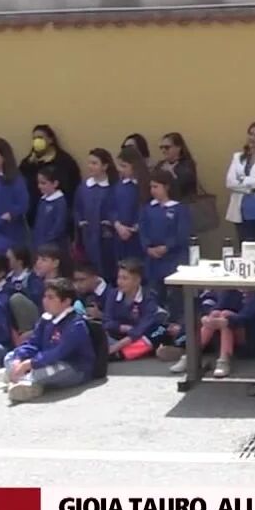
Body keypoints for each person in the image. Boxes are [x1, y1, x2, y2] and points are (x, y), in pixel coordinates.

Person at [0, 278, 95, 402]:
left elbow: (59, 352)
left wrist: (30, 363)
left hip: (73, 366)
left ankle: (21, 378)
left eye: (51, 298)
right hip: (44, 360)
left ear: (66, 301)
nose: (45, 301)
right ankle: (25, 380)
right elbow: (33, 343)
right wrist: (19, 358)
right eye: (45, 296)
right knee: (10, 356)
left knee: (44, 372)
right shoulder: (46, 319)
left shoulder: (76, 324)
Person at [140, 171, 190, 313]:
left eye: (156, 187)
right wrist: (148, 248)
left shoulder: (179, 209)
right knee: (154, 294)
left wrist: (167, 247)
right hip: (153, 260)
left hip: (173, 259)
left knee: (175, 295)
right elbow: (143, 230)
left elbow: (182, 233)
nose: (153, 191)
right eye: (151, 187)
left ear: (166, 187)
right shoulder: (148, 209)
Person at [19, 125, 82, 228]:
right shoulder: (28, 162)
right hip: (34, 213)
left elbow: (72, 185)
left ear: (51, 139)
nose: (37, 141)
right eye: (34, 138)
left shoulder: (64, 160)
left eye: (40, 138)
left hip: (57, 211)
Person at [104, 259, 166, 361]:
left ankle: (119, 354)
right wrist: (122, 327)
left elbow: (140, 330)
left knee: (158, 331)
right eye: (119, 278)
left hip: (141, 336)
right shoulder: (113, 294)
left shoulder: (149, 298)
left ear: (137, 280)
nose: (120, 282)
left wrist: (115, 348)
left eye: (125, 278)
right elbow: (107, 322)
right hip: (118, 334)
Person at [77, 148, 119, 282]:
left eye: (95, 163)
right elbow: (77, 207)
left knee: (107, 270)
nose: (90, 166)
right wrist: (80, 221)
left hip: (107, 238)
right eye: (89, 163)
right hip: (87, 236)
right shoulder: (84, 187)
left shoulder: (113, 187)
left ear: (105, 166)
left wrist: (110, 222)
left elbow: (116, 209)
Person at [0, 138, 30, 256]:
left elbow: (23, 203)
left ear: (4, 156)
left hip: (10, 232)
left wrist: (9, 215)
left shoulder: (16, 179)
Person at [114, 147, 150, 265]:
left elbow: (148, 209)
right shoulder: (119, 186)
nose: (120, 169)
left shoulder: (145, 186)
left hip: (139, 237)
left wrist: (136, 227)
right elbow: (111, 208)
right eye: (119, 165)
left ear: (135, 166)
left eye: (124, 166)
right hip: (120, 236)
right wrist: (118, 225)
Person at [31, 166, 70, 252]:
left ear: (55, 184)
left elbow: (59, 226)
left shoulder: (60, 202)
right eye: (38, 183)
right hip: (39, 243)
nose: (39, 186)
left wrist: (47, 241)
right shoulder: (42, 200)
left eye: (43, 183)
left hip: (53, 246)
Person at [156, 132, 199, 202]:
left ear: (178, 148)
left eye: (167, 147)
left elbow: (184, 186)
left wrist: (171, 173)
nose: (163, 150)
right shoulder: (160, 165)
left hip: (183, 205)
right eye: (161, 147)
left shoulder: (187, 165)